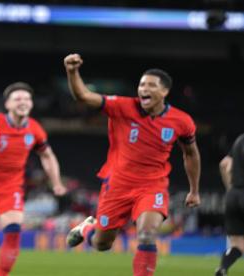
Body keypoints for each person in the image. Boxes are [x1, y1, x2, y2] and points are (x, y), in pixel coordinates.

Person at [63, 54, 201, 276]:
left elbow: (191, 154)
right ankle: (87, 227)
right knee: (101, 244)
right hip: (117, 185)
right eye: (141, 84)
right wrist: (72, 72)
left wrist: (194, 190)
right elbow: (83, 96)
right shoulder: (122, 106)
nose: (143, 89)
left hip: (152, 186)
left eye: (150, 85)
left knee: (146, 234)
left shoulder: (181, 121)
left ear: (164, 91)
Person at [0, 82, 67, 276]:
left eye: (27, 98)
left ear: (31, 104)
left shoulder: (35, 129)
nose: (23, 102)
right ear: (7, 104)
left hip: (10, 187)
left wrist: (57, 183)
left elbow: (47, 155)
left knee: (14, 230)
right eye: (17, 99)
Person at [215, 134, 244, 276]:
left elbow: (224, 165)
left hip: (233, 195)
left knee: (237, 244)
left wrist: (230, 190)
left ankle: (223, 268)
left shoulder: (239, 140)